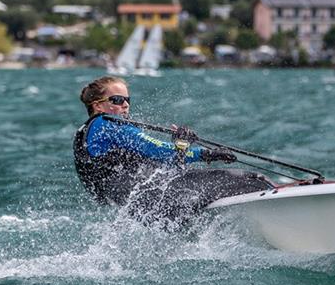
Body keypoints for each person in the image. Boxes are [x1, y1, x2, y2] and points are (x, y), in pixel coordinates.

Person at [73, 76, 273, 223]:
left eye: (127, 100)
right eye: (117, 100)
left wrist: (191, 150)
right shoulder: (107, 125)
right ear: (98, 106)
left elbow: (165, 162)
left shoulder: (88, 132)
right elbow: (160, 151)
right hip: (155, 199)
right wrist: (201, 152)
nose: (125, 105)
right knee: (253, 180)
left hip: (143, 206)